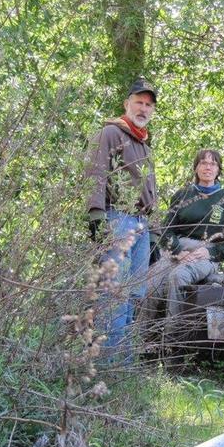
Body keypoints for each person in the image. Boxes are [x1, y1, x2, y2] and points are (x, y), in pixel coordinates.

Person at [85, 77, 158, 361]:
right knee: (113, 295)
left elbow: (150, 191)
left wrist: (154, 232)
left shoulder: (144, 144)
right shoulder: (111, 133)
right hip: (117, 219)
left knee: (132, 295)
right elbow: (96, 172)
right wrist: (96, 216)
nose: (143, 108)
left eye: (148, 105)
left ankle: (122, 368)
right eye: (138, 102)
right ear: (126, 104)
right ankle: (106, 364)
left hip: (141, 225)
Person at [144, 149, 224, 324]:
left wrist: (212, 253)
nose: (208, 167)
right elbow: (167, 229)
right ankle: (140, 339)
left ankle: (172, 338)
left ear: (218, 169)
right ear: (196, 168)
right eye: (203, 163)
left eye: (213, 164)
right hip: (177, 252)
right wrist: (178, 251)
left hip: (205, 253)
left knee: (178, 277)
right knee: (151, 282)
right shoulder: (182, 195)